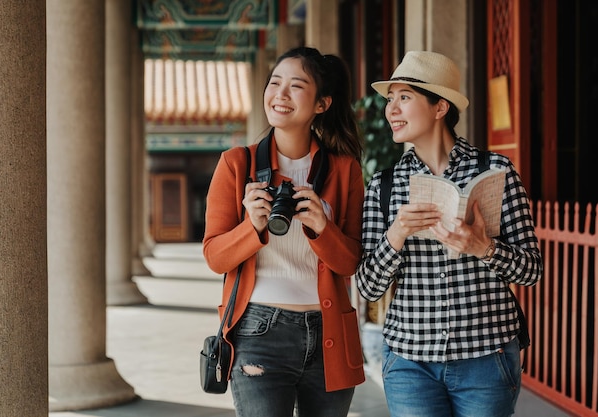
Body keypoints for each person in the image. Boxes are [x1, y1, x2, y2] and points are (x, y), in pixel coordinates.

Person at [355, 50, 543, 417]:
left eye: (404, 97)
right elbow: (367, 287)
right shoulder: (385, 185)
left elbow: (532, 271)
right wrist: (397, 233)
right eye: (390, 99)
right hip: (411, 362)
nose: (391, 109)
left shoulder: (497, 171)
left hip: (487, 358)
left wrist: (484, 247)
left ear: (440, 107)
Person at [203, 46, 366, 417]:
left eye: (296, 86)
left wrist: (322, 228)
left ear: (321, 104)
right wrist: (253, 226)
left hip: (330, 333)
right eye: (275, 83)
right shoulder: (236, 164)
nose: (280, 94)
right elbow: (215, 257)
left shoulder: (344, 170)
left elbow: (350, 262)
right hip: (260, 332)